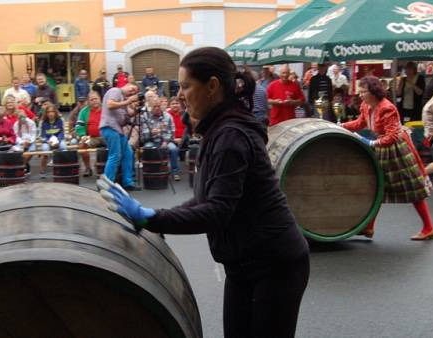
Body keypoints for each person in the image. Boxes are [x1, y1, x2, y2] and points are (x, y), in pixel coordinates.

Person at [97, 47, 309, 338]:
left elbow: (217, 212)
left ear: (212, 87)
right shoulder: (219, 130)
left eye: (186, 86)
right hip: (244, 264)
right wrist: (155, 218)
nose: (180, 95)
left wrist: (152, 218)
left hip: (273, 264)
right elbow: (204, 200)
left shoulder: (231, 135)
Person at [340, 76, 433, 240]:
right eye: (360, 91)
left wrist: (371, 142)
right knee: (378, 187)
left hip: (397, 151)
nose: (361, 95)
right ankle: (369, 228)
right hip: (381, 148)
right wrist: (340, 125)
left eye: (364, 91)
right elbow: (359, 123)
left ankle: (429, 228)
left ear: (374, 92)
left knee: (413, 189)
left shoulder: (387, 108)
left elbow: (392, 136)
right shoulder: (366, 106)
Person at [100, 80, 140, 189]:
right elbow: (110, 104)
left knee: (128, 153)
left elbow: (127, 116)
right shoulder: (115, 90)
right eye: (132, 89)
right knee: (115, 155)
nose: (132, 92)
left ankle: (127, 182)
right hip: (110, 127)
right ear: (127, 84)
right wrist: (128, 101)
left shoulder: (123, 98)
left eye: (134, 92)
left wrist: (137, 109)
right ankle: (107, 185)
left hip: (117, 129)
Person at [140, 97, 180, 181]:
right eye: (155, 106)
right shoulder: (145, 117)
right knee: (148, 148)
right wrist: (151, 133)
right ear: (150, 107)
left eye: (159, 106)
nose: (157, 108)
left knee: (173, 149)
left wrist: (165, 141)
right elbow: (143, 135)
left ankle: (175, 172)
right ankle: (151, 172)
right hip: (151, 141)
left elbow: (172, 132)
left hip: (165, 140)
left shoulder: (168, 116)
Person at [75, 92, 104, 177]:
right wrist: (83, 135)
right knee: (82, 145)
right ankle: (88, 168)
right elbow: (79, 126)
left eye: (96, 99)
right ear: (88, 101)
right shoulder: (84, 111)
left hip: (106, 136)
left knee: (114, 143)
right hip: (92, 137)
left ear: (100, 99)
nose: (94, 101)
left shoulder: (106, 109)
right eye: (92, 99)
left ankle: (103, 167)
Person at [38, 105, 66, 178]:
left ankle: (63, 167)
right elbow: (42, 135)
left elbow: (62, 132)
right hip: (47, 141)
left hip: (58, 140)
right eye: (49, 112)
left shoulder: (60, 121)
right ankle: (42, 170)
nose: (51, 113)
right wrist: (47, 141)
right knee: (45, 149)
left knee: (63, 146)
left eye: (52, 112)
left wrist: (58, 140)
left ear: (55, 112)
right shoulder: (43, 122)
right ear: (46, 113)